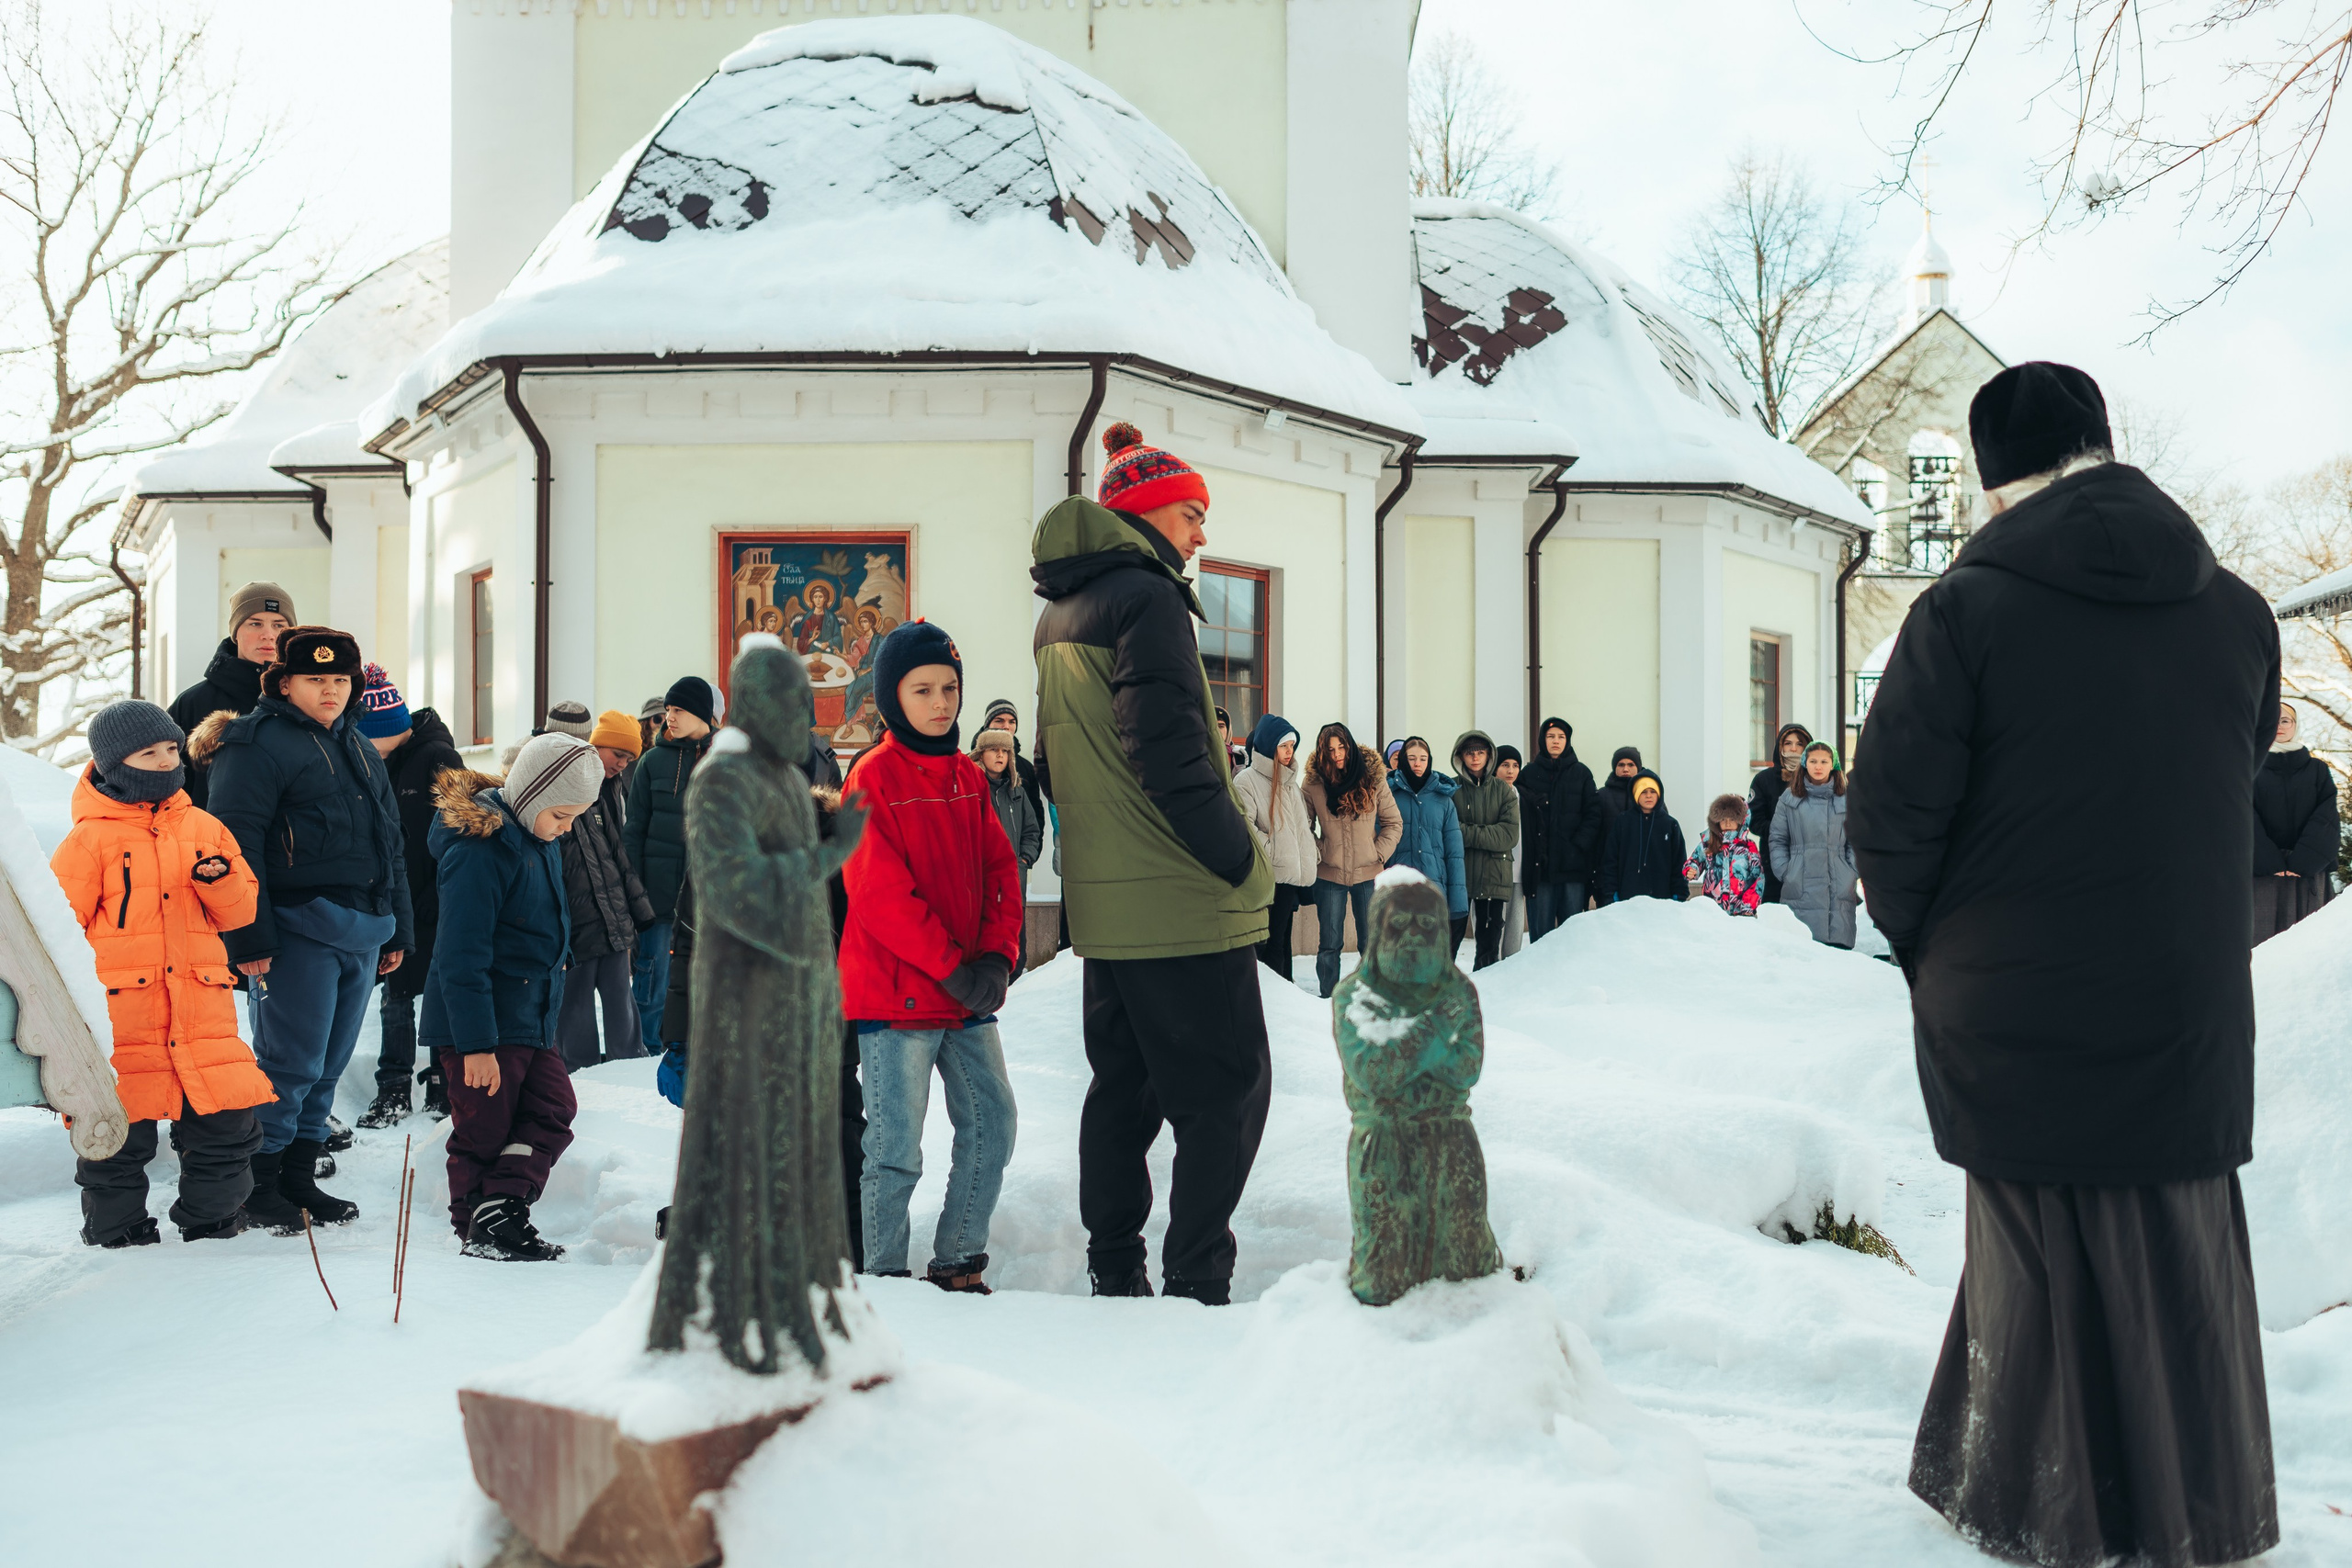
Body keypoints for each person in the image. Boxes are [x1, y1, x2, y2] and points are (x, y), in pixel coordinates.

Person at [1848, 362, 2280, 1567]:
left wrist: (1935, 948)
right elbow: (2229, 780)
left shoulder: (1964, 610)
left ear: (1998, 483)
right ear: (2103, 447)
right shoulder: (2236, 610)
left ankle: (2042, 1500)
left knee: (2036, 1246)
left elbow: (1889, 815)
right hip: (2188, 994)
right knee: (2177, 1244)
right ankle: (2191, 1496)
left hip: (2018, 993)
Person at [1030, 421, 1275, 1304]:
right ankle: (1198, 1276)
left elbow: (1065, 763)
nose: (1202, 533)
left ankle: (1115, 1267)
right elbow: (1168, 757)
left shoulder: (1061, 610)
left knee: (1124, 1097)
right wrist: (1241, 864)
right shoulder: (1149, 600)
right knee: (1228, 1094)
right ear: (1143, 514)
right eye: (1192, 514)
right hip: (1178, 900)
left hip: (1109, 903)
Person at [193, 626, 412, 1233]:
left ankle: (297, 1179)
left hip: (363, 932)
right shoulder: (253, 743)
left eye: (341, 680)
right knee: (288, 1066)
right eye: (316, 679)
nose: (331, 691)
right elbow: (236, 846)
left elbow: (390, 846)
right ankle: (260, 1185)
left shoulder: (361, 748)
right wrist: (249, 938)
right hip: (294, 934)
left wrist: (397, 931)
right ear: (283, 682)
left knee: (328, 1069)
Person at [841, 621, 1023, 1292]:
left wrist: (999, 957)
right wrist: (952, 968)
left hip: (969, 992)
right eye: (923, 689)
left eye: (950, 687)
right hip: (898, 999)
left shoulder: (968, 777)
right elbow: (880, 893)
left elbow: (1002, 871)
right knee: (894, 1150)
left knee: (992, 1122)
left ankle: (957, 1258)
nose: (941, 701)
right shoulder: (872, 775)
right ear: (892, 697)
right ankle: (884, 1276)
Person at [53, 701, 269, 1246]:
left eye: (172, 749)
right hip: (124, 1018)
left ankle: (213, 1225)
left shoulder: (205, 826)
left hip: (204, 1015)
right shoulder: (89, 840)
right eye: (148, 753)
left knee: (227, 1127)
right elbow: (58, 929)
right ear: (113, 764)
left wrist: (218, 883)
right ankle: (117, 1237)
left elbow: (242, 912)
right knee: (115, 1136)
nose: (165, 761)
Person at [423, 734, 605, 1261]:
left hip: (529, 1014)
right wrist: (476, 1044)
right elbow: (461, 954)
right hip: (483, 1023)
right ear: (532, 793)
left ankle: (502, 1204)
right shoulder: (481, 851)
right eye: (562, 815)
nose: (566, 828)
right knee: (484, 1127)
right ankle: (478, 1231)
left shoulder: (535, 839)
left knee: (553, 1106)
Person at [356, 665, 463, 1128]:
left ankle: (442, 1080)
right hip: (394, 900)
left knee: (440, 994)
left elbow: (461, 828)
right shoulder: (372, 760)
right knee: (395, 995)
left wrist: (441, 893)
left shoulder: (438, 756)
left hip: (436, 898)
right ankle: (393, 1087)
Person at [624, 675, 720, 1056]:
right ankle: (645, 1048)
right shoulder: (651, 762)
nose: (670, 718)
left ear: (700, 713)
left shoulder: (727, 759)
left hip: (710, 898)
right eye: (667, 710)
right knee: (652, 976)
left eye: (678, 710)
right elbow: (634, 831)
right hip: (658, 896)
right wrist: (636, 892)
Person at [555, 711, 656, 1070]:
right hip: (576, 923)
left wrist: (637, 914)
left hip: (610, 918)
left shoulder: (607, 790)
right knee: (575, 1004)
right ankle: (578, 1071)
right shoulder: (563, 785)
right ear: (595, 745)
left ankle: (629, 1067)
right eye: (619, 755)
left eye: (629, 758)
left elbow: (616, 856)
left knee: (620, 1000)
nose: (623, 765)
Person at [166, 581, 294, 810]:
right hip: (211, 840)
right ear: (236, 633)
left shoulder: (309, 699)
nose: (269, 635)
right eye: (255, 623)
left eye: (279, 625)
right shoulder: (193, 703)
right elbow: (164, 784)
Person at [1303, 720, 1403, 999]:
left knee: (1371, 942)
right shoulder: (1313, 782)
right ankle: (1328, 999)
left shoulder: (1373, 778)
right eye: (1330, 749)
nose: (1336, 754)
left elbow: (1394, 823)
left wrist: (1376, 853)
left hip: (1368, 875)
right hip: (1329, 875)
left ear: (1349, 745)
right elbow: (1303, 827)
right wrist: (1321, 850)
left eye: (1341, 746)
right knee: (1330, 944)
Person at [1232, 715, 1317, 981]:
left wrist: (1311, 853)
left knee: (1281, 941)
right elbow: (1243, 825)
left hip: (1288, 876)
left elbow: (1301, 826)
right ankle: (1271, 1002)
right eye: (1284, 745)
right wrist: (1271, 851)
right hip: (1267, 874)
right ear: (1269, 745)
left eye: (1292, 745)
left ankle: (1285, 994)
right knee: (1266, 943)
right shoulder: (1247, 780)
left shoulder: (1289, 782)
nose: (1289, 751)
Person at [2252, 699, 2337, 942]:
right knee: (2263, 949)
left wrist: (2303, 862)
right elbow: (2242, 817)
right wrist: (2269, 860)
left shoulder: (2317, 770)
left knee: (2313, 946)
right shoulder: (2249, 770)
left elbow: (2327, 817)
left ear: (2295, 725)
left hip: (2309, 873)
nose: (2279, 725)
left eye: (2286, 720)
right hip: (2263, 876)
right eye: (2272, 719)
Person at [1517, 717, 1600, 941]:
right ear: (1542, 740)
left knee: (1571, 933)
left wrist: (1578, 846)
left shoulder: (1581, 774)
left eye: (1561, 737)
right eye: (1551, 736)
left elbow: (1593, 814)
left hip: (1573, 868)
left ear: (1568, 741)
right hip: (1540, 868)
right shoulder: (1529, 774)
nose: (1556, 741)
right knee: (1541, 933)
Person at [1769, 743, 1858, 948]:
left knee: (1837, 959)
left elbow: (1857, 838)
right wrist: (1786, 870)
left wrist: (1851, 870)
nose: (1818, 766)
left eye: (1824, 761)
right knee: (1801, 953)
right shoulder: (1789, 799)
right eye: (1813, 761)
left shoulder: (1848, 799)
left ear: (1833, 765)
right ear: (1804, 764)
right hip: (1798, 882)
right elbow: (1778, 838)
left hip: (1838, 885)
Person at [972, 726, 1043, 977]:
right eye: (994, 750)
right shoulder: (970, 791)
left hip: (1013, 882)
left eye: (1005, 750)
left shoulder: (1017, 792)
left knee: (1016, 951)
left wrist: (1024, 859)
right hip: (981, 885)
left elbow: (1032, 831)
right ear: (981, 754)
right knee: (985, 950)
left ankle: (1014, 997)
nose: (1000, 755)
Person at [1386, 737, 1468, 953]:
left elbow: (1454, 854)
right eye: (1411, 758)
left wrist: (1458, 902)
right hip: (1399, 888)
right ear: (1403, 760)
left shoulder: (1443, 800)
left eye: (1422, 759)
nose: (1417, 764)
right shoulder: (1388, 795)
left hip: (1434, 888)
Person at [1450, 729, 1519, 970]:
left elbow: (1508, 835)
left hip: (1494, 876)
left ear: (1489, 755)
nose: (1475, 757)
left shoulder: (1504, 791)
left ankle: (1487, 995)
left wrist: (1466, 832)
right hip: (1459, 876)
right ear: (1461, 756)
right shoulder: (1451, 789)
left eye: (1480, 752)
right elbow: (1448, 831)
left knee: (1489, 946)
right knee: (1450, 938)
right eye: (1470, 753)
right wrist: (1485, 832)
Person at [1596, 770, 1686, 905]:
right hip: (1627, 898)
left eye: (1653, 791)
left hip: (1662, 900)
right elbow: (1611, 860)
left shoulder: (1670, 824)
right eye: (1643, 792)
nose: (1648, 796)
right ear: (1636, 794)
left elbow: (1679, 863)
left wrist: (1678, 894)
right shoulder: (1623, 822)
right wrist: (1611, 893)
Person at [1746, 723, 1813, 905]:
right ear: (1780, 747)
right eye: (1788, 743)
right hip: (1774, 860)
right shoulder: (1763, 780)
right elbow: (1754, 820)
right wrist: (1782, 829)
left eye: (1799, 744)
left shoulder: (1816, 778)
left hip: (1811, 861)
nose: (1793, 748)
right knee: (1776, 915)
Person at [1684, 795, 1763, 916]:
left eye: (1732, 819)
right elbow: (1695, 860)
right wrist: (1692, 869)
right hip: (1712, 910)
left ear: (1741, 820)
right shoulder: (1709, 843)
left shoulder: (1748, 848)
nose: (1727, 823)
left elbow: (1757, 878)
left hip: (1740, 911)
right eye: (1723, 819)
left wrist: (1748, 906)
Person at [979, 696, 1046, 822]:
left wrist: (1031, 842)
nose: (1006, 726)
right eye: (999, 721)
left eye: (1012, 722)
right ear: (988, 724)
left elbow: (1035, 815)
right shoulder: (968, 764)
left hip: (1015, 841)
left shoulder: (1026, 768)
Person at [1493, 745, 1529, 955]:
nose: (1511, 771)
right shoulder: (1489, 795)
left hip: (1519, 871)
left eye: (1515, 766)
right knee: (1494, 934)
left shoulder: (1522, 796)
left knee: (1514, 935)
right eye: (1505, 765)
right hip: (1494, 873)